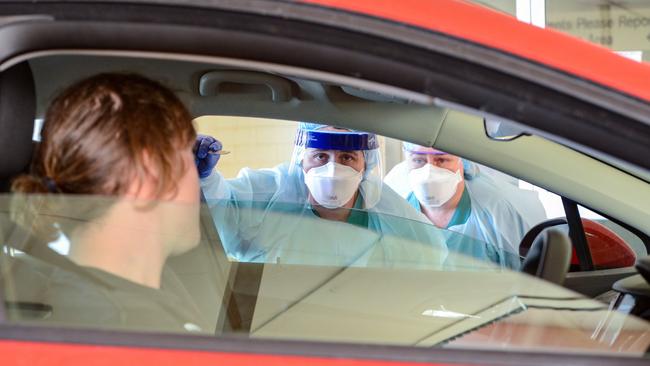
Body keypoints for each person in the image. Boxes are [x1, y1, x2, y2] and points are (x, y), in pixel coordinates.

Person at [10, 73, 209, 333]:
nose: (196, 180)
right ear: (150, 175)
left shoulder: (86, 307)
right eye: (187, 157)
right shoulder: (124, 335)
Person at [194, 123, 448, 268]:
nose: (332, 169)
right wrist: (206, 179)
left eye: (347, 157)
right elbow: (220, 216)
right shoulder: (271, 192)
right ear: (302, 161)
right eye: (320, 156)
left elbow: (428, 260)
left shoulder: (390, 215)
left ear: (366, 165)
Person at [384, 143, 544, 269]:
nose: (429, 171)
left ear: (462, 160)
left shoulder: (497, 209)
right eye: (419, 160)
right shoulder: (393, 197)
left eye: (442, 160)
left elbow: (527, 282)